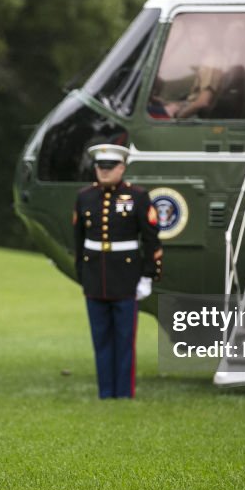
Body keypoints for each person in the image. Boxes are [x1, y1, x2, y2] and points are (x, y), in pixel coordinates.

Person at [72, 143, 162, 399]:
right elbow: (78, 241)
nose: (104, 171)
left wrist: (148, 275)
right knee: (101, 340)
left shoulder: (138, 197)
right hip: (94, 278)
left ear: (122, 167)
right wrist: (81, 273)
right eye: (101, 166)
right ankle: (105, 392)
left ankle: (123, 393)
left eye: (110, 167)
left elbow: (151, 239)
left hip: (126, 278)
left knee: (124, 341)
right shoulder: (84, 196)